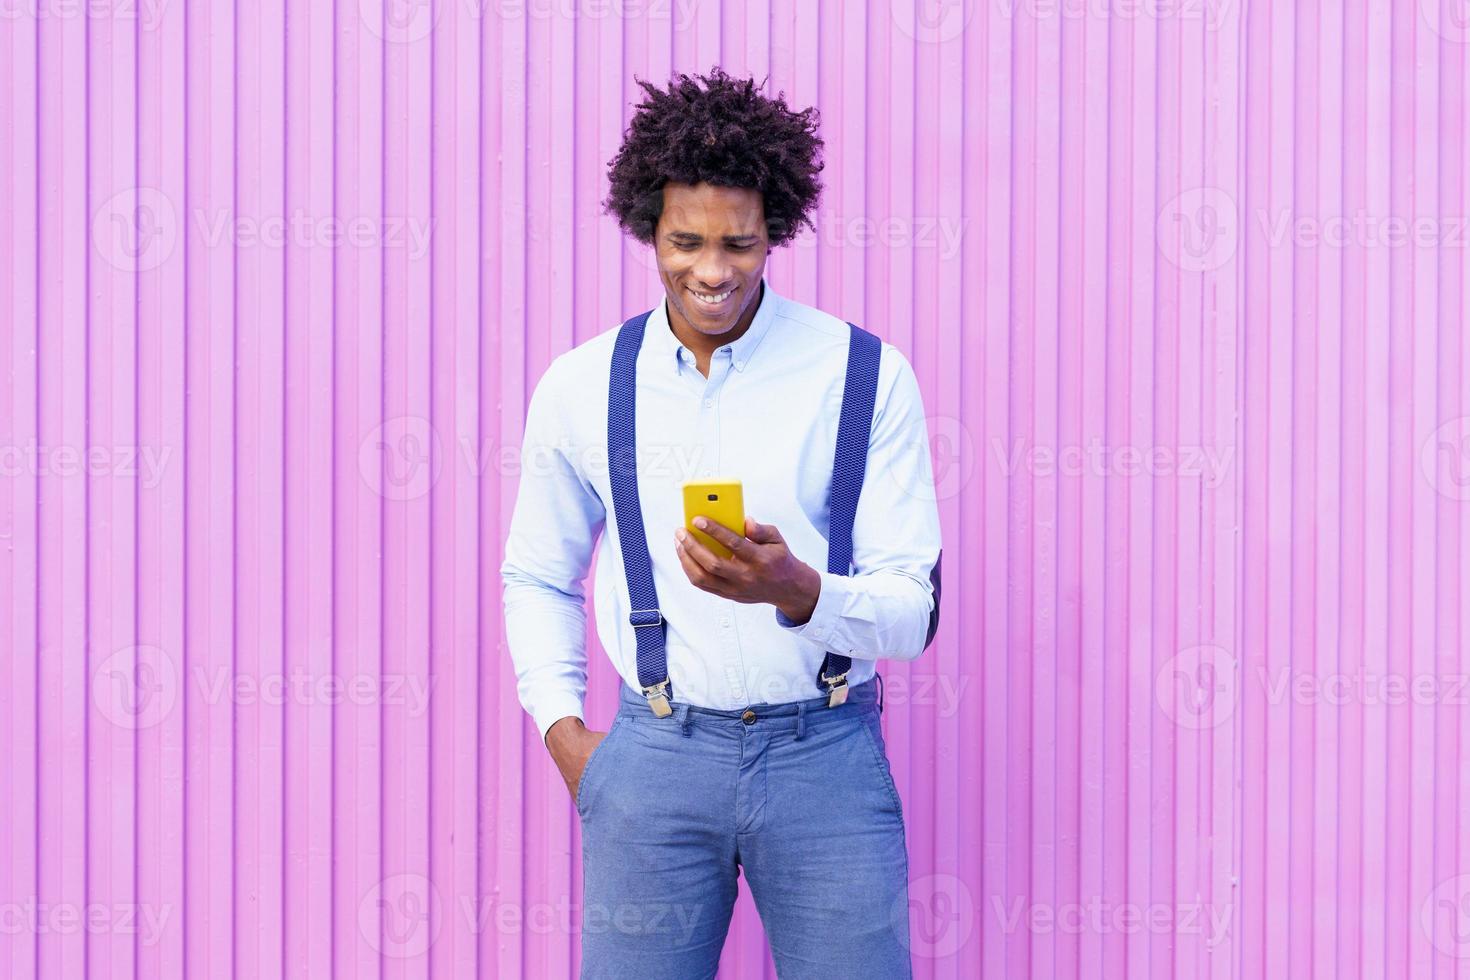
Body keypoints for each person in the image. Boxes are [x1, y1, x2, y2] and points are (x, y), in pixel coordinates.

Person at [500, 67, 943, 979]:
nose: (711, 271)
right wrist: (564, 731)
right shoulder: (582, 386)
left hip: (825, 753)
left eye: (738, 244)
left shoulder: (863, 376)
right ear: (648, 231)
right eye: (685, 241)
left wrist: (799, 590)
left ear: (773, 231)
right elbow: (537, 574)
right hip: (655, 758)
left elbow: (913, 612)